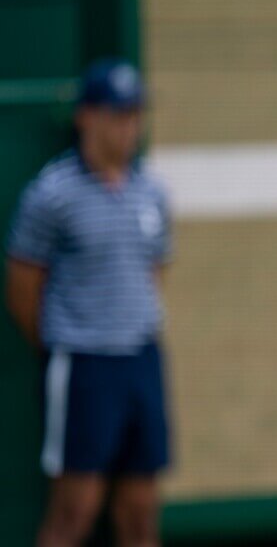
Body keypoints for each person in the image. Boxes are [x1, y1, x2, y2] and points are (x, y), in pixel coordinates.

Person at [5, 58, 171, 547]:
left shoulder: (151, 193)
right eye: (117, 114)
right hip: (83, 365)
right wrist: (66, 343)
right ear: (87, 117)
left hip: (141, 360)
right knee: (75, 509)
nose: (128, 127)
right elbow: (22, 287)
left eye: (135, 114)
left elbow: (153, 273)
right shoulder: (51, 194)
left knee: (140, 513)